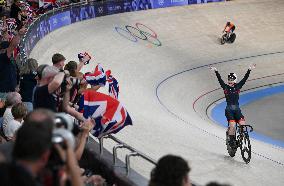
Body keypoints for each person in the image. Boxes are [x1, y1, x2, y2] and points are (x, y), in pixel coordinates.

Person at [210, 64, 256, 146]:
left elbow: (244, 79)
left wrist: (249, 69)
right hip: (229, 110)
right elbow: (220, 80)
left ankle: (241, 138)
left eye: (231, 79)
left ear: (235, 80)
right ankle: (231, 141)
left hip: (237, 110)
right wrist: (216, 71)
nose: (230, 81)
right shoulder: (225, 87)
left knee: (243, 125)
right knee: (233, 125)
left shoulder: (238, 86)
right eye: (229, 79)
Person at [0, 27, 26, 99]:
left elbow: (16, 74)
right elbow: (12, 45)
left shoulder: (10, 61)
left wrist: (16, 85)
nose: (11, 52)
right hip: (4, 94)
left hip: (10, 92)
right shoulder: (2, 58)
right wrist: (19, 35)